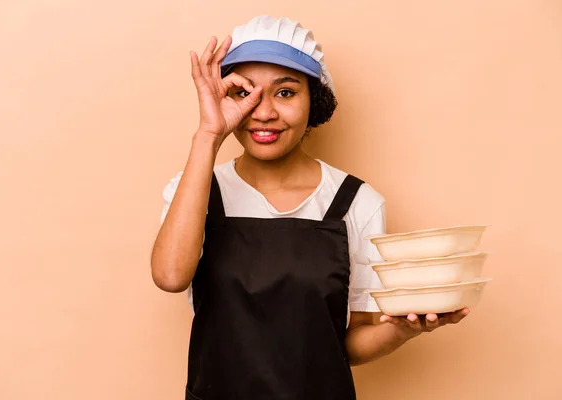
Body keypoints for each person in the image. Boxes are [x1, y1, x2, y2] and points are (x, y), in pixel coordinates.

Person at [151, 15, 470, 400]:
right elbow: (170, 277)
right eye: (243, 92)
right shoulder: (196, 190)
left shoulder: (355, 202)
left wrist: (404, 328)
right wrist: (208, 135)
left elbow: (346, 345)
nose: (263, 112)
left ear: (314, 99)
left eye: (285, 92)